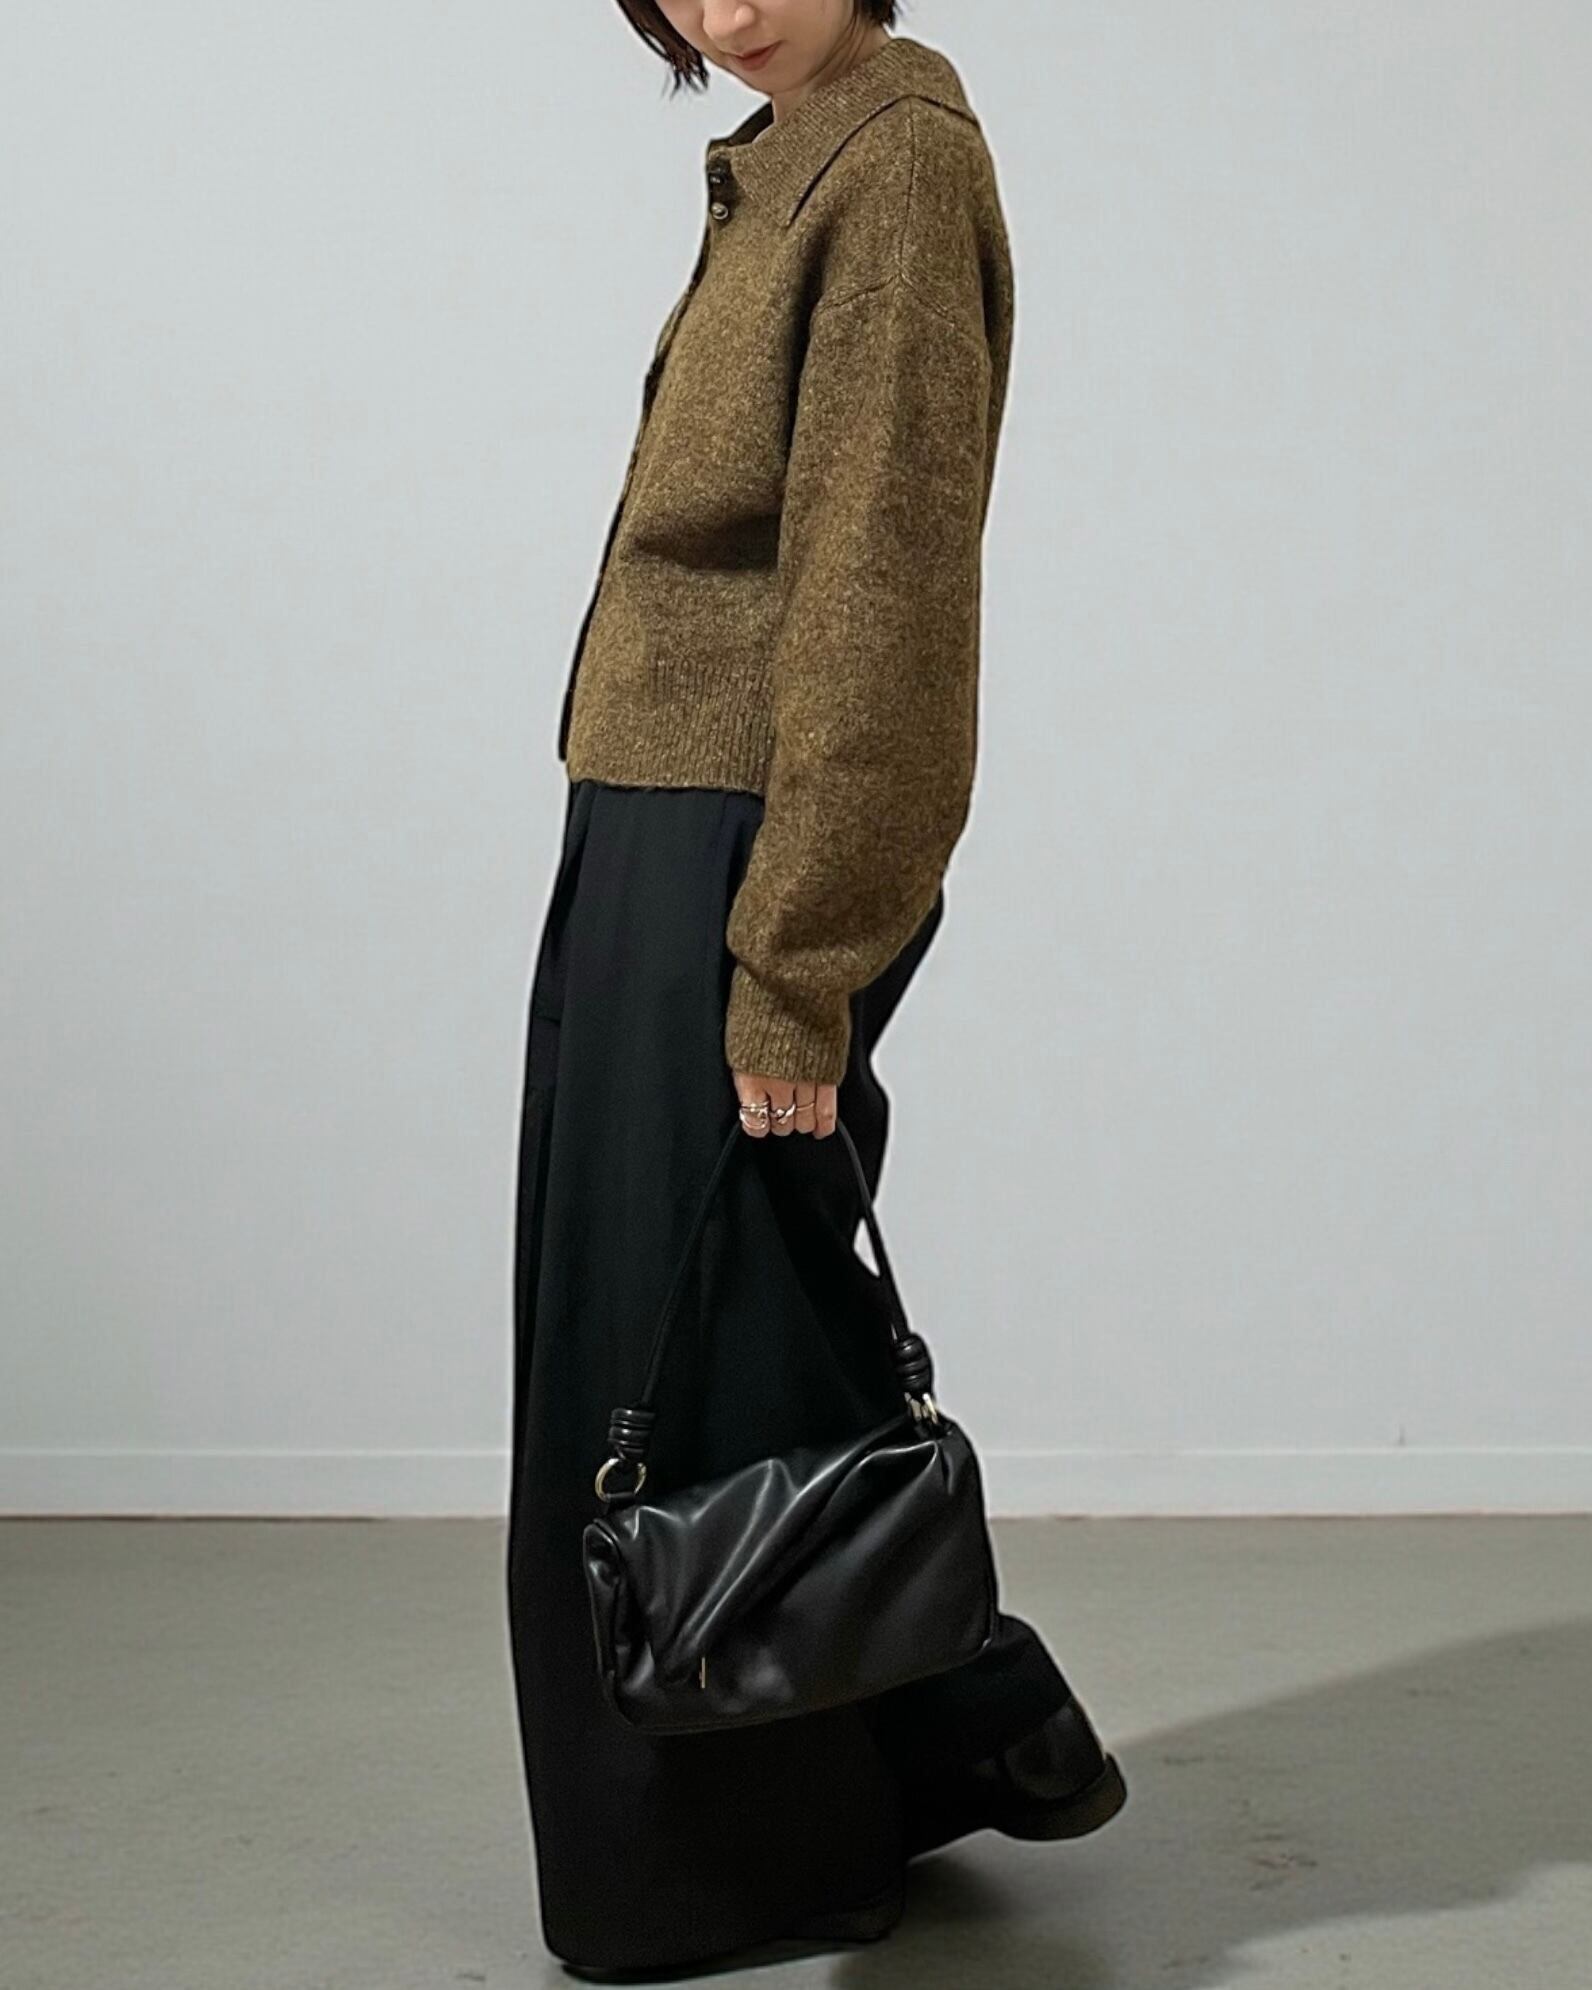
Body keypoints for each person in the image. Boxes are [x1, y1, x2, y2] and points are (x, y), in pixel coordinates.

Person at [506, 5, 1128, 1977]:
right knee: (721, 1303)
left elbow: (884, 585)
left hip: (750, 837)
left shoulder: (896, 158)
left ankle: (748, 1849)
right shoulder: (794, 152)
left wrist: (799, 959)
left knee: (683, 1336)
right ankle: (943, 1729)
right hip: (661, 810)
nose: (721, 10)